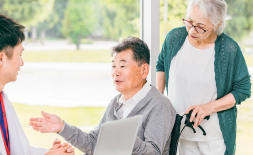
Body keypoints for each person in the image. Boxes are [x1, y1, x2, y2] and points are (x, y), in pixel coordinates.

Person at [29, 37, 176, 155]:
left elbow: (154, 152)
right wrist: (62, 127)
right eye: (113, 66)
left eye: (123, 66)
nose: (115, 72)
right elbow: (93, 143)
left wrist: (125, 136)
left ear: (144, 71)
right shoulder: (116, 103)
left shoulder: (159, 105)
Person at [156, 0, 251, 155]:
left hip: (215, 139)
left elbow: (243, 89)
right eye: (189, 22)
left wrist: (208, 108)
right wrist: (158, 101)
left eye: (200, 27)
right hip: (180, 135)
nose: (192, 31)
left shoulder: (229, 50)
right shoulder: (174, 38)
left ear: (217, 24)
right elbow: (162, 64)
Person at [0, 14, 75, 155]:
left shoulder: (1, 100)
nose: (22, 63)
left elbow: (21, 151)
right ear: (1, 58)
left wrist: (50, 153)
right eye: (20, 55)